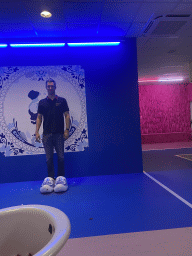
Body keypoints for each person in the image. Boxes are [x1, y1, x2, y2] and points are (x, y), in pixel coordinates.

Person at [35, 78, 71, 194]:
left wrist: (67, 130)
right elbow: (39, 117)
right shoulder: (42, 102)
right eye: (48, 86)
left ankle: (61, 179)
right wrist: (36, 132)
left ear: (55, 87)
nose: (50, 88)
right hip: (47, 135)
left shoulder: (62, 100)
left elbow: (66, 115)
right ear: (46, 88)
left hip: (59, 134)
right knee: (49, 159)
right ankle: (50, 180)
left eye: (52, 86)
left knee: (61, 157)